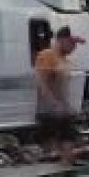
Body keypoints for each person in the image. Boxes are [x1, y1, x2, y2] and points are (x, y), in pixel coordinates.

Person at [35, 26, 82, 165]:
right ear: (62, 40)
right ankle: (61, 163)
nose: (74, 48)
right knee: (58, 137)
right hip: (51, 107)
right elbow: (42, 82)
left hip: (62, 106)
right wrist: (53, 102)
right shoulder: (47, 56)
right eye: (72, 43)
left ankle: (66, 163)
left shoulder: (64, 59)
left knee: (68, 135)